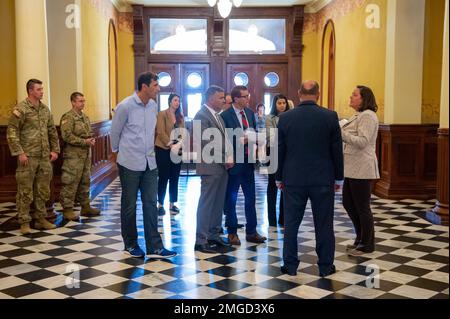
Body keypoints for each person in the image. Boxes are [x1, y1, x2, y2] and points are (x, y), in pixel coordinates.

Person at [276, 80, 343, 277]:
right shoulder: (330, 117)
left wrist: (279, 177)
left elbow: (281, 150)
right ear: (318, 94)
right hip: (322, 178)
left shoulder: (286, 117)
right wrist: (339, 179)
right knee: (324, 224)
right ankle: (325, 266)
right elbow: (336, 150)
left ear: (299, 93)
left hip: (293, 178)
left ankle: (290, 266)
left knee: (291, 224)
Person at [111, 72, 177, 259]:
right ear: (144, 87)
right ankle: (130, 244)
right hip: (130, 162)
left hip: (150, 162)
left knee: (150, 204)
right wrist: (118, 152)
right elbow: (114, 133)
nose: (158, 88)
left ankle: (154, 246)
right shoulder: (125, 106)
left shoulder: (153, 105)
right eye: (155, 85)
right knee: (130, 205)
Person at [7, 79, 60, 234]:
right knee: (25, 191)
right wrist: (20, 153)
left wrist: (55, 150)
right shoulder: (21, 109)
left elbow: (52, 131)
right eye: (39, 89)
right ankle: (24, 222)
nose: (42, 92)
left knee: (42, 189)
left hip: (44, 157)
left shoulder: (45, 109)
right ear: (30, 91)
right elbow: (12, 132)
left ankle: (41, 219)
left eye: (42, 89)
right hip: (28, 157)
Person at [221, 85, 267, 245]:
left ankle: (251, 232)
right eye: (245, 96)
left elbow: (253, 131)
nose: (248, 99)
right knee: (231, 199)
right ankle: (232, 232)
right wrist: (242, 140)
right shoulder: (225, 116)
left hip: (248, 162)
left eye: (248, 96)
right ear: (236, 99)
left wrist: (255, 138)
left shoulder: (250, 114)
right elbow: (224, 140)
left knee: (250, 199)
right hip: (233, 163)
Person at [194, 85, 234, 254]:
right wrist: (226, 159)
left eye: (224, 97)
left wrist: (229, 156)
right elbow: (207, 144)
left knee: (218, 203)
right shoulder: (201, 116)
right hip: (210, 166)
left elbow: (223, 140)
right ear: (210, 98)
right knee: (207, 203)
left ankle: (214, 235)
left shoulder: (218, 116)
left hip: (221, 166)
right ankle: (200, 240)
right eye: (220, 98)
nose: (224, 100)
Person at [341, 86, 380, 256]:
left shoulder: (368, 116)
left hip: (362, 167)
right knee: (349, 203)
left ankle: (367, 244)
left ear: (364, 99)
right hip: (352, 167)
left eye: (354, 95)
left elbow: (363, 141)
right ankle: (359, 238)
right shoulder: (358, 115)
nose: (351, 97)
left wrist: (340, 134)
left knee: (362, 207)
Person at [60, 92, 100, 221]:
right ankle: (67, 209)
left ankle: (85, 206)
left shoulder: (85, 117)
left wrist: (90, 140)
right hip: (73, 156)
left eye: (84, 100)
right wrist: (84, 142)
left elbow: (87, 133)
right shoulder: (68, 117)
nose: (83, 103)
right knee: (70, 182)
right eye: (80, 101)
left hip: (85, 155)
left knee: (85, 181)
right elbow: (66, 136)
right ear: (73, 102)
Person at [155, 93, 185, 216]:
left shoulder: (180, 116)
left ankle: (172, 204)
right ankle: (160, 204)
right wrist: (171, 145)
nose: (177, 103)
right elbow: (160, 132)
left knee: (175, 177)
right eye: (175, 100)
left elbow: (182, 133)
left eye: (178, 101)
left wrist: (177, 145)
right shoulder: (162, 114)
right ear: (169, 101)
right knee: (163, 177)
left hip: (177, 150)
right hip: (163, 149)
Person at [266, 94, 288, 227]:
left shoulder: (291, 116)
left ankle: (283, 218)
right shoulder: (270, 118)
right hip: (273, 153)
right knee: (272, 186)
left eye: (284, 103)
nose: (282, 105)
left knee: (285, 186)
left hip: (286, 154)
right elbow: (271, 135)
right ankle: (272, 219)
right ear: (275, 104)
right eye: (279, 103)